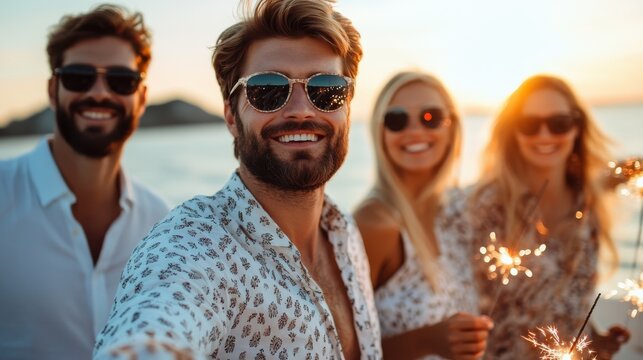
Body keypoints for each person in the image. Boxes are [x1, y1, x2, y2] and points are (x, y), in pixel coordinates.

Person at [93, 0, 381, 359]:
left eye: (327, 90)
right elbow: (156, 321)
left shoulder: (345, 233)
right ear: (231, 115)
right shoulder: (196, 245)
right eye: (268, 91)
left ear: (348, 107)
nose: (301, 110)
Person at [0, 4, 169, 360]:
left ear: (140, 98)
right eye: (79, 76)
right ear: (52, 89)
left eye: (121, 80)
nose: (99, 92)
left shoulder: (162, 225)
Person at [465, 75, 630, 359]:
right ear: (512, 131)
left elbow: (563, 299)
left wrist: (595, 338)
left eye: (559, 123)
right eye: (529, 125)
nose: (544, 135)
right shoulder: (484, 206)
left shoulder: (589, 205)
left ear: (577, 127)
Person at [353, 71, 493, 360]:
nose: (415, 131)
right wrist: (425, 342)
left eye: (431, 117)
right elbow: (334, 349)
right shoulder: (375, 225)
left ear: (452, 126)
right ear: (380, 132)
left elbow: (516, 186)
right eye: (397, 120)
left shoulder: (455, 211)